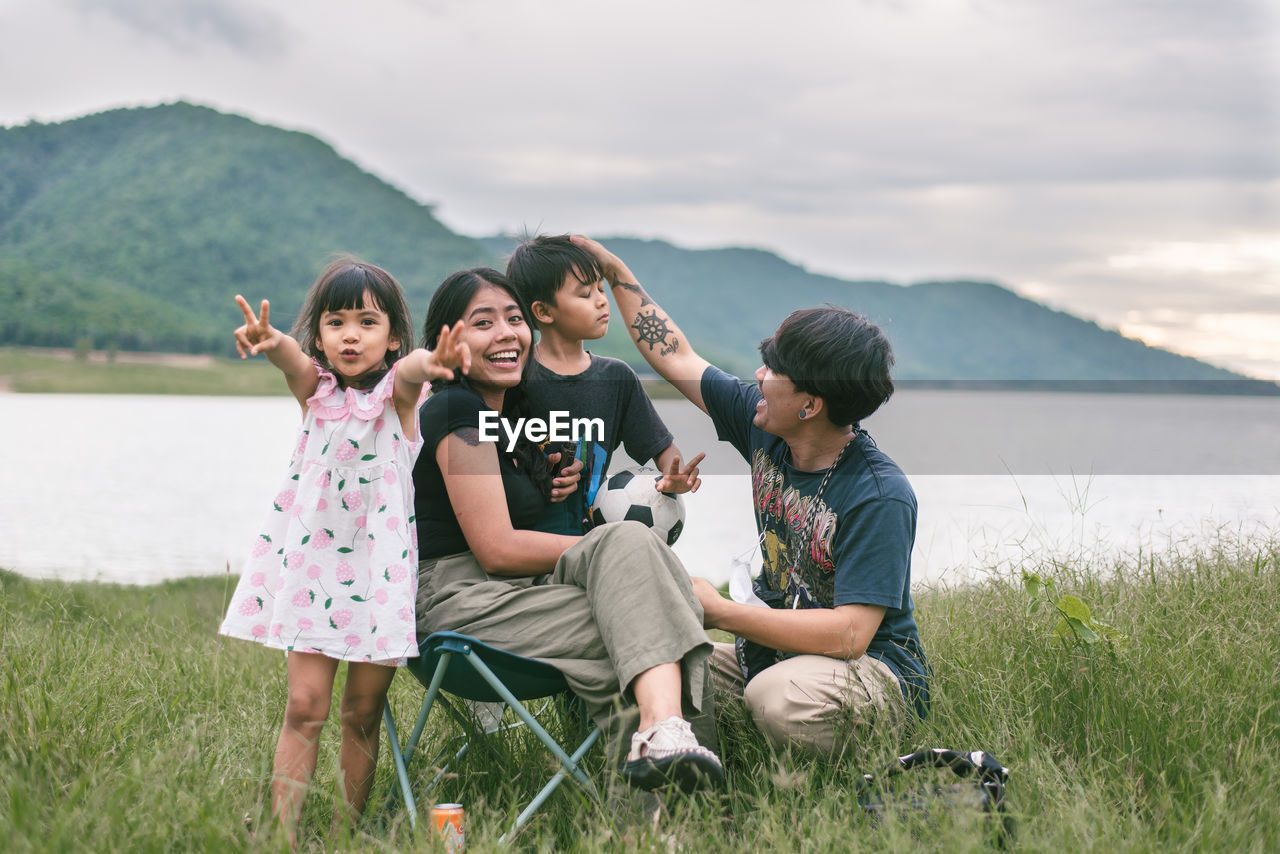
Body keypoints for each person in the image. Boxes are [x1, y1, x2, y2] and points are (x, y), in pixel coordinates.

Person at [571, 235, 930, 759]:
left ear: (809, 405)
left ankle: (830, 770)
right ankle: (686, 775)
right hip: (772, 656)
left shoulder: (879, 495)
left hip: (873, 673)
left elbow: (852, 634)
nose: (757, 376)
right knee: (644, 662)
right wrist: (615, 271)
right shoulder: (766, 426)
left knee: (775, 698)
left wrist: (719, 611)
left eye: (771, 370)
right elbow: (675, 355)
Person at [410, 267, 723, 792]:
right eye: (483, 322)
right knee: (650, 607)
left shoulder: (513, 418)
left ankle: (662, 741)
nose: (506, 332)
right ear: (449, 340)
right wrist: (611, 547)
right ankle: (682, 806)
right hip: (457, 605)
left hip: (515, 601)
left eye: (513, 319)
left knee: (647, 612)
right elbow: (497, 549)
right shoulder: (453, 408)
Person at [218, 257, 467, 844]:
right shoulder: (317, 394)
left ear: (393, 336)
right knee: (304, 705)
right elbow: (291, 361)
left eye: (367, 322)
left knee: (361, 711)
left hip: (379, 577)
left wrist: (432, 361)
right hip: (312, 571)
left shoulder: (401, 402)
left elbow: (409, 374)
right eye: (336, 322)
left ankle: (345, 832)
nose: (351, 335)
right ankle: (283, 834)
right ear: (321, 337)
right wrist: (271, 339)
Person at [505, 234, 704, 534]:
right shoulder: (512, 377)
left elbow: (665, 452)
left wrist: (673, 478)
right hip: (527, 538)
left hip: (592, 538)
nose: (601, 300)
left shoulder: (617, 378)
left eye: (601, 288)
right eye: (585, 294)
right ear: (543, 312)